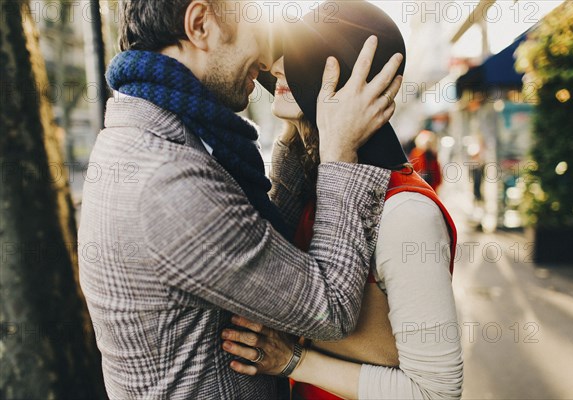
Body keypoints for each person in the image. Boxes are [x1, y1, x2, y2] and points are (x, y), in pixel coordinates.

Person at [77, 0, 404, 398]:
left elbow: (260, 247)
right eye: (259, 30)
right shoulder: (169, 181)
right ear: (201, 25)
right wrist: (339, 152)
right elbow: (330, 308)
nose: (268, 60)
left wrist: (303, 128)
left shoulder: (149, 136)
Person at [220, 2, 464, 399]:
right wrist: (301, 134)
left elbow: (435, 392)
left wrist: (295, 360)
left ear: (350, 75)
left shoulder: (406, 213)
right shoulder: (321, 190)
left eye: (301, 58)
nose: (277, 67)